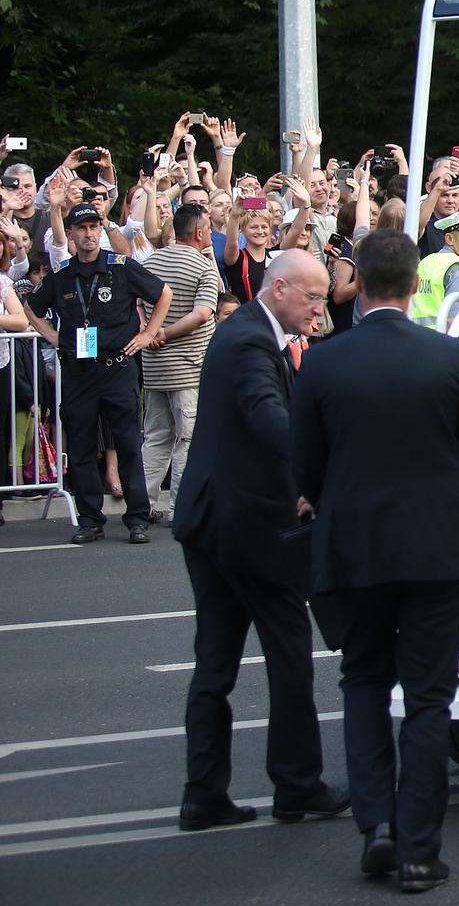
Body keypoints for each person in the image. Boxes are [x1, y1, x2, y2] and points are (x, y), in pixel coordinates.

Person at [290, 231, 459, 893]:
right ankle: (418, 850)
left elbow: (305, 467)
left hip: (354, 545)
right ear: (414, 285)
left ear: (362, 285)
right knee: (430, 700)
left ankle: (376, 823)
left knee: (364, 683)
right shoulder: (447, 357)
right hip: (436, 546)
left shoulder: (322, 362)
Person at [171, 250, 349, 832]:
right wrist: (319, 468)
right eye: (314, 296)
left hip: (215, 522)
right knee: (290, 655)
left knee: (215, 663)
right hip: (246, 529)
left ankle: (204, 794)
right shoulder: (249, 342)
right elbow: (268, 418)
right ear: (278, 290)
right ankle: (296, 785)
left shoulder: (250, 334)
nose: (321, 307)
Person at [21, 201, 171, 542]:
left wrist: (148, 334)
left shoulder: (121, 267)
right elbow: (32, 307)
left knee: (129, 443)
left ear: (99, 230)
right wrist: (55, 337)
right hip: (79, 372)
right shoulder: (62, 276)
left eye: (93, 227)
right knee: (82, 446)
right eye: (82, 228)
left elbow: (163, 293)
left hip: (117, 367)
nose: (88, 234)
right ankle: (90, 519)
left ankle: (136, 518)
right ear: (71, 234)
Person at [139, 203, 220, 522]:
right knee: (188, 437)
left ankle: (141, 503)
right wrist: (167, 333)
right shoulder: (204, 268)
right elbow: (202, 314)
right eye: (210, 228)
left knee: (155, 435)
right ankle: (181, 506)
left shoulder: (149, 262)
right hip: (189, 365)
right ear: (199, 232)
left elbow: (137, 301)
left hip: (154, 365)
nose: (211, 232)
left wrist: (151, 333)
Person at [407, 206, 459, 333]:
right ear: (449, 239)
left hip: (418, 340)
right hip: (447, 345)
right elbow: (455, 321)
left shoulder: (426, 261)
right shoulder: (457, 266)